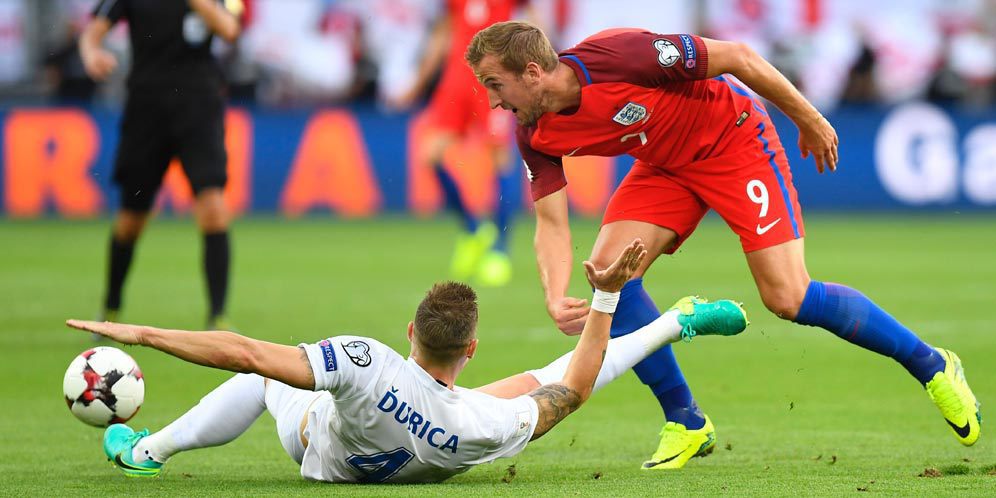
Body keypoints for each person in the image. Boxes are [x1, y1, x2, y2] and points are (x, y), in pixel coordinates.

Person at [464, 21, 982, 470]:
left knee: (788, 297)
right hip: (666, 167)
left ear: (532, 72)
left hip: (733, 140)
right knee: (609, 274)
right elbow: (551, 223)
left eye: (495, 84)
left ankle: (932, 364)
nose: (492, 100)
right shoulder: (534, 132)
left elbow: (738, 57)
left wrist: (809, 118)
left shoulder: (619, 57)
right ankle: (686, 421)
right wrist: (556, 294)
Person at [66, 240, 750, 483]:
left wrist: (143, 333)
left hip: (320, 452)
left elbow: (242, 350)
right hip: (439, 437)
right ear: (470, 349)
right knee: (546, 381)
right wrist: (605, 299)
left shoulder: (367, 363)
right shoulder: (480, 428)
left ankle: (145, 452)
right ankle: (676, 321)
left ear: (408, 332)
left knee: (258, 377)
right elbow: (571, 386)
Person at [80, 0, 243, 330]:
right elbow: (92, 34)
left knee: (213, 207)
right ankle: (111, 307)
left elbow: (229, 29)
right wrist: (91, 53)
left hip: (199, 109)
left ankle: (218, 319)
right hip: (147, 112)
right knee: (131, 221)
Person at [389, 0, 532, 287]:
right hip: (457, 79)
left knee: (500, 158)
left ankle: (500, 250)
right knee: (430, 155)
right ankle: (473, 228)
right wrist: (417, 85)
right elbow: (443, 34)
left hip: (495, 78)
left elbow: (531, 23)